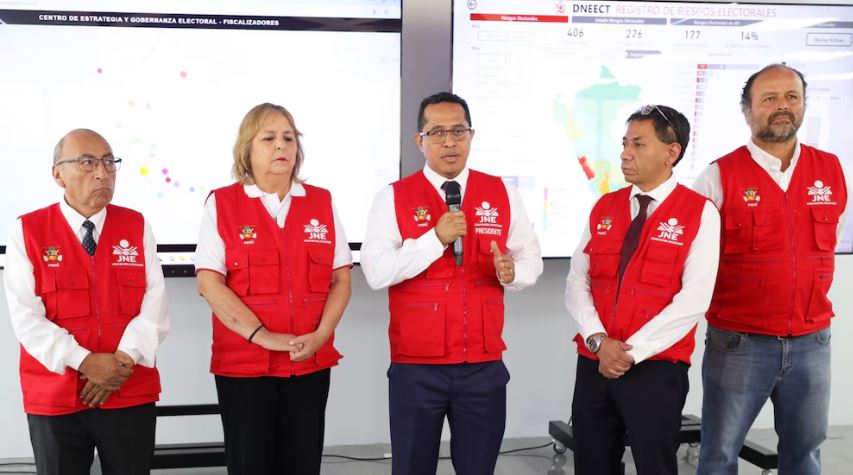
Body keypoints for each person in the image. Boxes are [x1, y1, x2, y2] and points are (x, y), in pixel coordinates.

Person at [361, 91, 543, 475]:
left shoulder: (502, 192)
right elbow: (376, 271)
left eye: (458, 131)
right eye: (437, 132)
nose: (449, 142)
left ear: (471, 136)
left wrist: (514, 273)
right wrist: (434, 239)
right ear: (419, 140)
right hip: (416, 367)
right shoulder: (393, 197)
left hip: (482, 365)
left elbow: (530, 259)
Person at [694, 64, 848, 475]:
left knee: (805, 454)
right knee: (719, 454)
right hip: (740, 344)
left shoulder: (830, 170)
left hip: (812, 343)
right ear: (747, 110)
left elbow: (827, 244)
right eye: (769, 98)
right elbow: (694, 260)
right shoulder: (717, 176)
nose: (782, 106)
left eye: (791, 97)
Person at [195, 103, 352, 475]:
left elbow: (341, 279)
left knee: (303, 463)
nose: (281, 145)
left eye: (289, 138)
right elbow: (209, 283)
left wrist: (321, 336)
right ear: (247, 149)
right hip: (245, 367)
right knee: (251, 464)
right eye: (268, 138)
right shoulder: (222, 203)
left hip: (308, 360)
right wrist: (263, 337)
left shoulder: (321, 201)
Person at [565, 105, 720, 475]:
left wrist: (629, 353)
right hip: (595, 362)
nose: (625, 154)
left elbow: (694, 299)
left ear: (671, 152)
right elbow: (577, 280)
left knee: (655, 465)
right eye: (624, 143)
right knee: (592, 463)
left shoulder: (699, 213)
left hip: (655, 368)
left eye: (638, 144)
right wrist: (599, 342)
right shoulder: (605, 206)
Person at [3, 129, 170, 474]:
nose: (102, 173)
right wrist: (85, 362)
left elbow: (155, 305)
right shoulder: (28, 230)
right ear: (58, 175)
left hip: (127, 388)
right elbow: (26, 317)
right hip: (56, 396)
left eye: (109, 162)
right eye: (87, 162)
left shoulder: (136, 225)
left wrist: (119, 363)